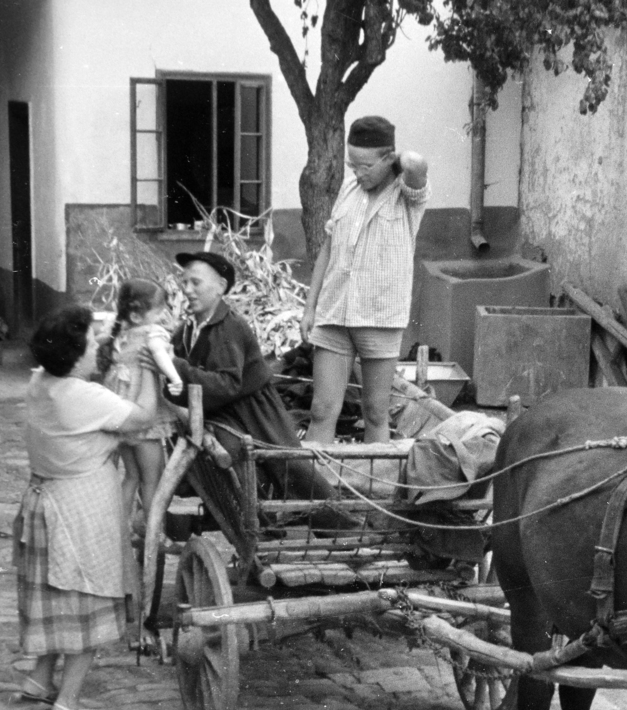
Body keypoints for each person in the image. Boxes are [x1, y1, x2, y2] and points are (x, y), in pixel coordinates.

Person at [13, 305, 160, 710]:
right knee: (87, 605)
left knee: (59, 598)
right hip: (80, 509)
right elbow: (144, 418)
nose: (100, 348)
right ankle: (69, 703)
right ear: (75, 354)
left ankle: (40, 678)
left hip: (45, 499)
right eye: (93, 344)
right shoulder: (83, 396)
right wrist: (148, 369)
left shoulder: (40, 383)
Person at [164, 251, 347, 517]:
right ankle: (260, 519)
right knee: (235, 464)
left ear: (220, 288)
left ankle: (342, 526)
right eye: (185, 283)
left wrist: (177, 368)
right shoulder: (187, 330)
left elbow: (227, 384)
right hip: (223, 412)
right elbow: (179, 383)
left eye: (196, 283)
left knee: (290, 469)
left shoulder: (228, 328)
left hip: (255, 411)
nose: (188, 290)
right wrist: (171, 378)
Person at [300, 114, 429, 444]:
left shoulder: (408, 195)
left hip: (379, 317)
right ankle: (315, 490)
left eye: (365, 165)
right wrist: (310, 306)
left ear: (388, 158)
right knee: (322, 409)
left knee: (375, 412)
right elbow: (328, 250)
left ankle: (378, 489)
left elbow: (415, 163)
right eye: (351, 164)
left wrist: (393, 162)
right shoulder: (348, 189)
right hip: (335, 313)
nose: (356, 172)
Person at [101, 278, 184, 530]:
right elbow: (159, 354)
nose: (163, 316)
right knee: (153, 481)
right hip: (146, 421)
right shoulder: (151, 333)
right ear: (138, 314)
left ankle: (120, 531)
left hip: (123, 418)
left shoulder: (120, 335)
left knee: (131, 477)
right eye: (159, 310)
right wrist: (175, 377)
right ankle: (154, 534)